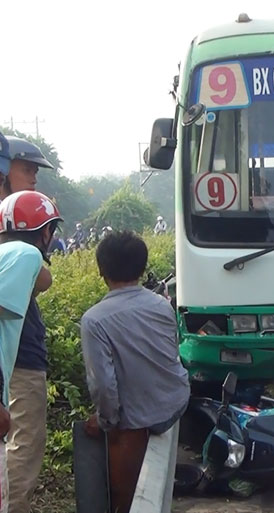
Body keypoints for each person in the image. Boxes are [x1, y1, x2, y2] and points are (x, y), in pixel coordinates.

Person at [80, 231, 189, 513]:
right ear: (142, 269)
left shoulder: (94, 320)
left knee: (117, 431)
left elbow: (104, 387)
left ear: (101, 270)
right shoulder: (162, 305)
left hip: (145, 416)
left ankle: (122, 501)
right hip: (176, 400)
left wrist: (104, 422)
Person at [1, 138, 57, 513]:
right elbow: (43, 278)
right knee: (23, 441)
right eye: (27, 169)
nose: (34, 177)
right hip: (16, 360)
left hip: (18, 353)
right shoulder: (19, 246)